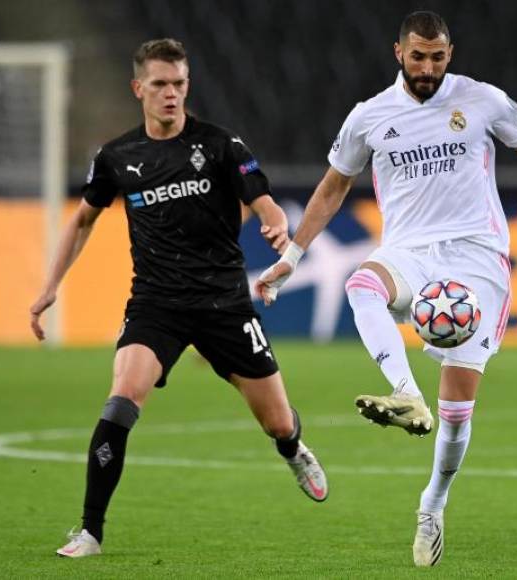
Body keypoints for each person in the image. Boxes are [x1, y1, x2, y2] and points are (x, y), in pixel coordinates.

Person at [255, 11, 517, 567]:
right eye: (417, 56)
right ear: (397, 53)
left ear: (449, 54)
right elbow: (333, 188)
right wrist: (292, 256)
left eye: (436, 57)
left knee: (458, 412)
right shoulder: (369, 117)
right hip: (409, 252)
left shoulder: (482, 100)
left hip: (477, 260)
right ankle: (406, 392)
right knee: (363, 283)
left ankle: (433, 502)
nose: (426, 67)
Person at [30, 38, 328, 559]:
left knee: (277, 421)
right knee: (120, 403)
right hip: (156, 305)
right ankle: (90, 531)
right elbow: (82, 221)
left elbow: (264, 202)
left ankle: (292, 448)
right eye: (161, 84)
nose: (171, 94)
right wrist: (50, 285)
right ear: (138, 88)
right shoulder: (116, 158)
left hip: (225, 306)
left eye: (180, 85)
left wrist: (277, 227)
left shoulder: (219, 145)